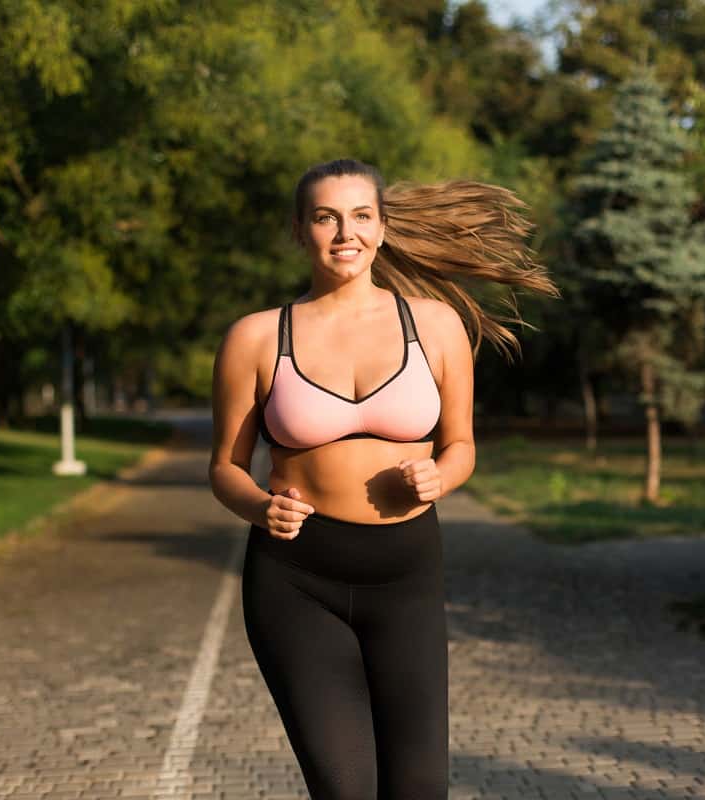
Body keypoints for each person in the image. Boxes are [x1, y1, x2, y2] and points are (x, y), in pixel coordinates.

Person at [208, 158, 559, 799]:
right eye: (326, 217)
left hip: (406, 578)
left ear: (383, 226)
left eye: (361, 216)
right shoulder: (257, 338)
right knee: (346, 790)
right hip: (296, 580)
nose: (346, 233)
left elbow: (460, 445)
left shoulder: (435, 325)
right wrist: (260, 508)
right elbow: (226, 468)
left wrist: (440, 477)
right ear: (299, 231)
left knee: (420, 788)